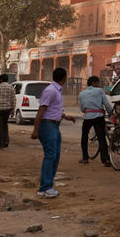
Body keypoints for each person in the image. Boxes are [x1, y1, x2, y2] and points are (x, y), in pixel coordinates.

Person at [30, 67, 76, 198]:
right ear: (64, 78)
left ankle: (47, 185)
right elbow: (42, 110)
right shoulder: (51, 91)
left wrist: (66, 117)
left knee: (55, 156)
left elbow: (53, 109)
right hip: (48, 125)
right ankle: (45, 187)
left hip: (54, 125)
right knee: (50, 156)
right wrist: (35, 129)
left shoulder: (57, 90)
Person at [78, 76, 113, 166]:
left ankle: (85, 158)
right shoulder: (100, 91)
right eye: (97, 83)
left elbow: (82, 108)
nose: (98, 85)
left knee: (84, 137)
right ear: (93, 83)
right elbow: (106, 104)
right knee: (101, 138)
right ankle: (106, 160)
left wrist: (88, 111)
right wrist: (110, 113)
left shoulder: (82, 94)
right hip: (99, 117)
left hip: (87, 117)